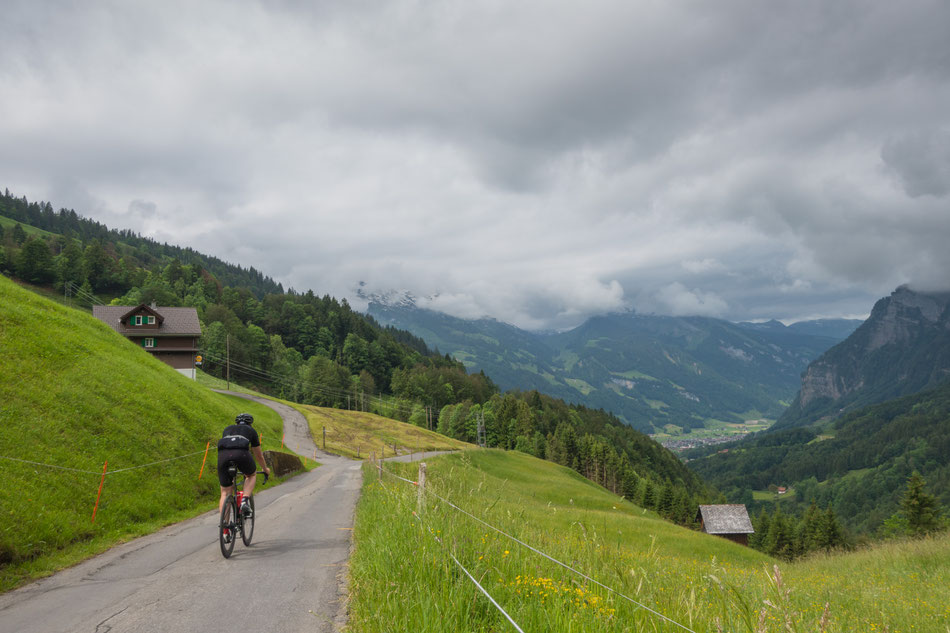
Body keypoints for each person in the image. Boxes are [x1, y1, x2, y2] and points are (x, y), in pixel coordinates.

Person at [217, 412, 271, 519]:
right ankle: (244, 501)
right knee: (251, 475)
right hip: (241, 454)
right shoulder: (251, 431)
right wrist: (265, 469)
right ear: (250, 423)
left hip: (223, 456)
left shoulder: (227, 429)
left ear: (236, 423)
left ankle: (225, 529)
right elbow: (258, 455)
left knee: (225, 492)